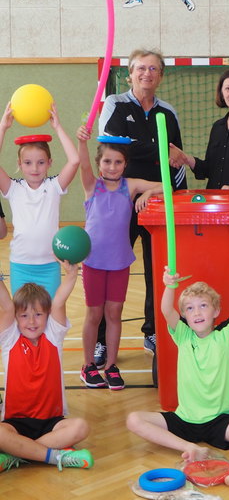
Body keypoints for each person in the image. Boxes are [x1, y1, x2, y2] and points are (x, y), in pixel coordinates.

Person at [126, 255, 229, 495]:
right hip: (184, 420)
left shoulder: (225, 336)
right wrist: (168, 286)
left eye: (203, 305)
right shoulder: (183, 336)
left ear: (216, 310)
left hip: (219, 421)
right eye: (189, 308)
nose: (196, 312)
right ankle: (189, 447)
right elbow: (166, 310)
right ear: (184, 315)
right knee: (133, 419)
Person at [97, 48, 187, 362]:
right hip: (120, 201)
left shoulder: (168, 112)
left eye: (153, 69)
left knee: (156, 270)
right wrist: (159, 148)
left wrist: (173, 199)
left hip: (159, 203)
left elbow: (175, 160)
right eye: (140, 69)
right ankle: (101, 340)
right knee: (112, 269)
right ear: (129, 74)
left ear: (160, 76)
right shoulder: (115, 105)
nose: (146, 74)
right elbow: (112, 146)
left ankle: (152, 331)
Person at [77, 127, 163, 390]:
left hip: (119, 263)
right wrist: (82, 142)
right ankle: (88, 365)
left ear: (125, 164)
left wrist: (147, 194)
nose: (112, 167)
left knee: (114, 313)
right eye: (106, 161)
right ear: (98, 163)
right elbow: (81, 165)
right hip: (93, 262)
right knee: (94, 314)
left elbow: (165, 185)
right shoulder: (92, 186)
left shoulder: (131, 185)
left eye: (117, 162)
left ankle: (111, 365)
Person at [0, 261, 93, 473]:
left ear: (48, 315)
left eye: (39, 314)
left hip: (52, 422)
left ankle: (18, 454)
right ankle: (55, 456)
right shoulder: (9, 339)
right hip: (16, 423)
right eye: (24, 315)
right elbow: (6, 306)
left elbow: (59, 302)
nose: (31, 321)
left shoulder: (53, 335)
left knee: (80, 427)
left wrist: (71, 275)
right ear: (16, 318)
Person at [0, 103, 79, 298]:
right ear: (19, 164)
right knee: (23, 319)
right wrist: (3, 127)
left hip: (49, 265)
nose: (34, 168)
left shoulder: (53, 186)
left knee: (50, 318)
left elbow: (75, 160)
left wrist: (58, 127)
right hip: (20, 265)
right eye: (27, 163)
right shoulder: (13, 188)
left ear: (50, 163)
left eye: (41, 162)